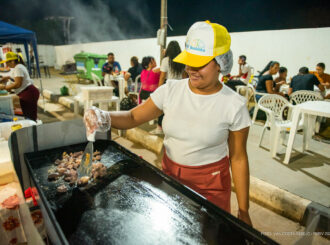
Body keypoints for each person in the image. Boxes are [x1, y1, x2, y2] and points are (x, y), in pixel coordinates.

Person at [84, 21, 252, 226]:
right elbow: (133, 117)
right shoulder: (171, 90)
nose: (191, 69)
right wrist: (104, 116)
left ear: (221, 63)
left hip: (211, 185)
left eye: (200, 64)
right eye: (189, 61)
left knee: (208, 235)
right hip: (171, 177)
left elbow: (238, 158)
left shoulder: (234, 105)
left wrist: (244, 211)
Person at [152, 41, 186, 134]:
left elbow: (162, 76)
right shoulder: (182, 59)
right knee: (178, 107)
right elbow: (184, 76)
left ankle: (160, 127)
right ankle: (177, 128)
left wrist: (159, 89)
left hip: (169, 85)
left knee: (163, 106)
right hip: (180, 85)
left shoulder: (166, 60)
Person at [0, 52, 40, 121]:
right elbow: (15, 79)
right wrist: (8, 77)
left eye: (7, 62)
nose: (6, 64)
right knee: (27, 114)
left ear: (12, 61)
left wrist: (4, 87)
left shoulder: (18, 68)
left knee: (30, 116)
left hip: (29, 93)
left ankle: (33, 129)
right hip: (26, 92)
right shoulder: (17, 68)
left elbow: (18, 84)